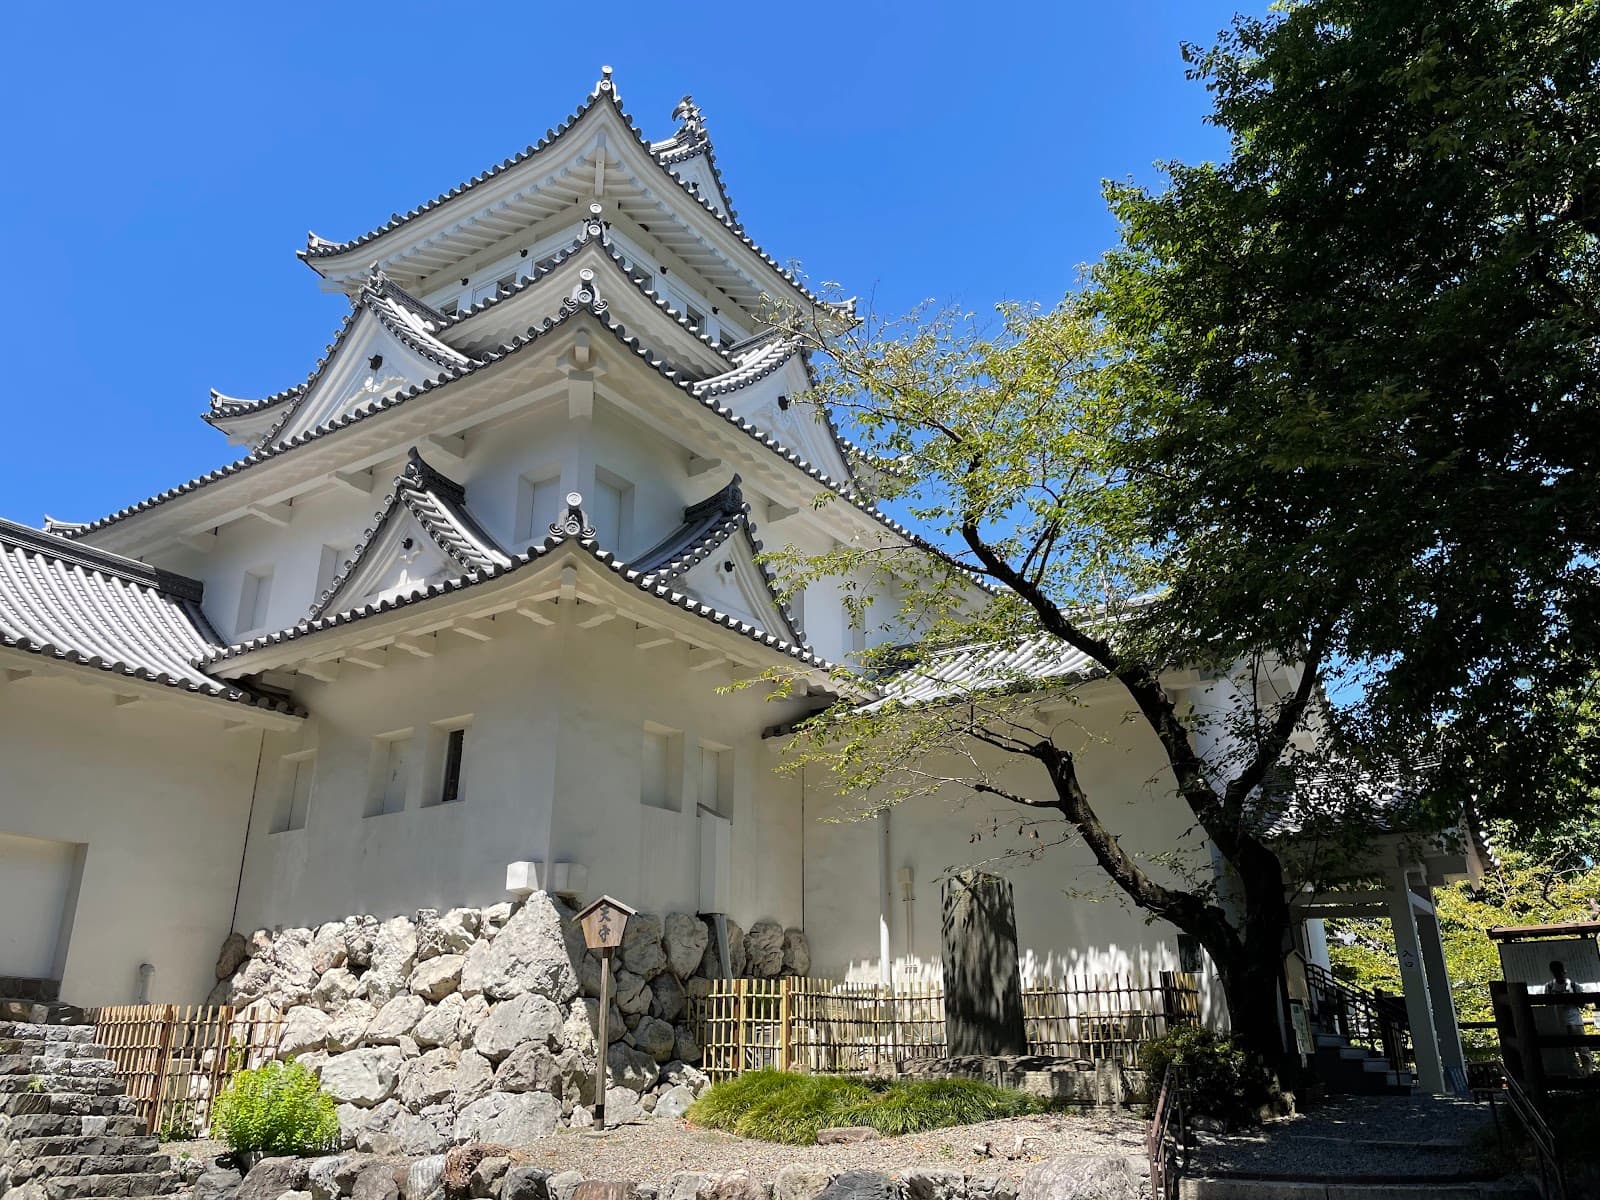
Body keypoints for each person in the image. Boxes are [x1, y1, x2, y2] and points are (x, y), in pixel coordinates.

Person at [1546, 960, 1595, 1076]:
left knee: (1581, 1050)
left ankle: (1587, 1074)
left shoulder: (1573, 985)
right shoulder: (1549, 987)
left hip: (1572, 1022)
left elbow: (1582, 1004)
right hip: (1562, 1023)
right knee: (1570, 1052)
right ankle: (1578, 1075)